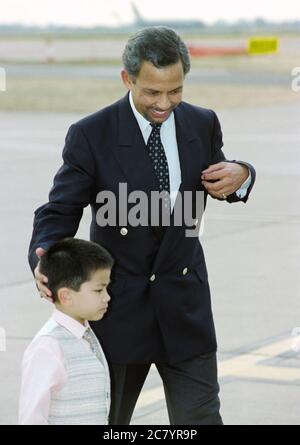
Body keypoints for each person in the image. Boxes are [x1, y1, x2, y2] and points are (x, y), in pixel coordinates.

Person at [28, 27, 256, 425]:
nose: (164, 104)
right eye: (152, 92)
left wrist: (243, 173)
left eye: (175, 91)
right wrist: (46, 255)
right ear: (127, 78)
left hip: (186, 308)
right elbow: (60, 209)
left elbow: (221, 179)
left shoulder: (202, 123)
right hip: (118, 311)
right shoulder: (91, 134)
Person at [19, 238, 113, 425]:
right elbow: (32, 417)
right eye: (99, 290)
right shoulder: (48, 347)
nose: (107, 297)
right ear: (66, 296)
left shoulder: (87, 334)